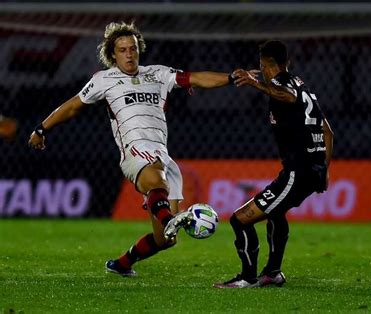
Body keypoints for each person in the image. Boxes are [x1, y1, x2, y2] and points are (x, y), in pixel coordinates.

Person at [28, 22, 235, 277]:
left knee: (165, 240)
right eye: (123, 50)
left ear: (139, 50)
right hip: (135, 149)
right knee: (156, 180)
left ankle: (122, 264)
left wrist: (231, 78)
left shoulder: (158, 74)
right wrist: (41, 129)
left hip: (162, 154)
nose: (129, 54)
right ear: (113, 54)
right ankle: (169, 218)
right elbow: (72, 106)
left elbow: (196, 78)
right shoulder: (104, 80)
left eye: (133, 49)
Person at [213, 40, 334, 288]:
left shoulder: (281, 86)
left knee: (239, 220)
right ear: (286, 62)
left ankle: (247, 278)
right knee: (276, 214)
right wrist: (324, 169)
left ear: (265, 65)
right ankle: (272, 273)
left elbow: (285, 96)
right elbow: (328, 132)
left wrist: (256, 83)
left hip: (297, 173)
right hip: (310, 170)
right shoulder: (303, 87)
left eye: (262, 66)